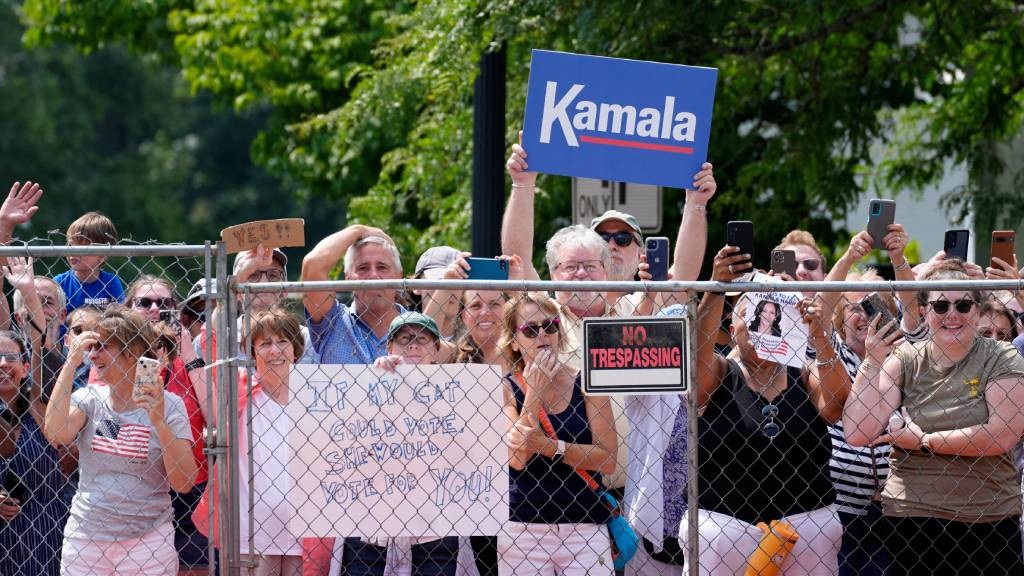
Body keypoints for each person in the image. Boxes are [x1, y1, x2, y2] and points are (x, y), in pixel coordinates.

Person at [843, 258, 1024, 574]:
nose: (952, 315)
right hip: (912, 521)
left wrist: (924, 441)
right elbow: (859, 430)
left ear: (978, 311)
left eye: (963, 305)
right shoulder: (905, 359)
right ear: (924, 312)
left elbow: (1001, 435)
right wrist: (871, 362)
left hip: (988, 520)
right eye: (941, 306)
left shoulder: (1002, 356)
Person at [689, 245, 849, 575]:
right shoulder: (720, 373)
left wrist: (817, 332)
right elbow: (697, 361)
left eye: (774, 317)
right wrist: (718, 288)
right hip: (725, 528)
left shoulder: (803, 372)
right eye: (755, 316)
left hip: (806, 528)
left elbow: (835, 406)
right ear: (733, 331)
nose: (766, 324)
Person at [43, 306, 197, 575]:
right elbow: (56, 433)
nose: (93, 355)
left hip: (148, 542)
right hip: (86, 539)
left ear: (132, 353)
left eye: (103, 347)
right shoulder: (90, 398)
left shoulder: (170, 406)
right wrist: (71, 363)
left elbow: (184, 483)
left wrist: (158, 421)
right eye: (92, 347)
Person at [339, 311, 467, 576]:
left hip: (435, 526)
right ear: (389, 348)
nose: (413, 345)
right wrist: (377, 384)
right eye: (404, 339)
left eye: (422, 339)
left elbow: (464, 450)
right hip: (371, 525)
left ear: (436, 349)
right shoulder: (365, 384)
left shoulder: (458, 390)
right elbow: (348, 447)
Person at [499, 292, 616, 575]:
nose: (543, 335)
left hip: (585, 524)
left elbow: (607, 459)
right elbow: (516, 458)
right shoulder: (503, 388)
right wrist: (534, 392)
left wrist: (552, 446)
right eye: (530, 329)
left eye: (550, 325)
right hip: (523, 527)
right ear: (514, 342)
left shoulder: (587, 380)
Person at [194, 306, 307, 575]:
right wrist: (235, 282)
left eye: (282, 341)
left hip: (305, 526)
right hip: (251, 529)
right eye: (265, 343)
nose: (274, 350)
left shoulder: (316, 394)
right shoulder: (239, 389)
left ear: (296, 349)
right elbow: (211, 341)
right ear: (253, 352)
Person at [124, 276, 210, 574]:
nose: (154, 309)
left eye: (164, 303)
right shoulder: (115, 356)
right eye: (144, 303)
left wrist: (186, 352)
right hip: (138, 486)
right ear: (128, 309)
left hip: (190, 481)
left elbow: (212, 412)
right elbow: (121, 419)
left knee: (194, 567)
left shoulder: (191, 355)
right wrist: (151, 365)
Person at [0, 256, 67, 576]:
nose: (2, 364)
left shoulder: (43, 401)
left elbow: (41, 346)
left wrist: (28, 294)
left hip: (48, 527)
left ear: (26, 368)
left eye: (11, 358)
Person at [302, 225, 404, 363]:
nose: (373, 275)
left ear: (399, 276)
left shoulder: (418, 327)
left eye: (382, 267)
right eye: (363, 268)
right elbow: (313, 264)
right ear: (348, 277)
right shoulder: (332, 322)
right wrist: (358, 230)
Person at [53, 211, 126, 313]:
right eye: (70, 245)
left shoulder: (111, 283)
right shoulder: (60, 282)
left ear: (102, 255)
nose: (73, 251)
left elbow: (120, 316)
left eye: (83, 247)